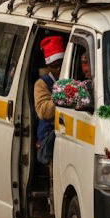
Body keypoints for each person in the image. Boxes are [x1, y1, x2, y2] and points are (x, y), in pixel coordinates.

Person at [35, 36, 65, 166]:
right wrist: (62, 97)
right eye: (55, 66)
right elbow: (43, 111)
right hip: (50, 136)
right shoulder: (42, 84)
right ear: (48, 67)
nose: (58, 69)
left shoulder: (73, 77)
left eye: (61, 65)